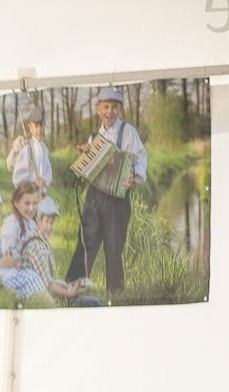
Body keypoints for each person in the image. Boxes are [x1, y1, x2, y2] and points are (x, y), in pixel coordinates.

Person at [65, 87, 148, 294]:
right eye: (106, 107)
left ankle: (116, 292)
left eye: (114, 107)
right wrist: (86, 154)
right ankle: (73, 288)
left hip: (118, 202)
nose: (110, 112)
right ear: (98, 109)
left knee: (113, 247)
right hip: (94, 198)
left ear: (119, 110)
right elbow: (88, 169)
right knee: (86, 243)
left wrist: (134, 176)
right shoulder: (94, 137)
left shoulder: (128, 132)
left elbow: (141, 157)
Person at [20, 198, 94, 302]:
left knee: (91, 301)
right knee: (91, 303)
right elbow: (48, 287)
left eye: (52, 222)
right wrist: (70, 292)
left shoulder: (43, 243)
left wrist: (74, 285)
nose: (49, 227)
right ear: (38, 220)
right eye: (47, 222)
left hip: (45, 295)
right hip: (36, 298)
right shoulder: (35, 246)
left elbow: (51, 280)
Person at [5, 112, 52, 194]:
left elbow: (48, 171)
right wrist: (32, 183)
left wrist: (44, 181)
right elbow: (18, 176)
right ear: (30, 128)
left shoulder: (45, 148)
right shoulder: (27, 146)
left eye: (41, 126)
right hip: (28, 194)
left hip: (41, 193)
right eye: (36, 126)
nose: (39, 129)